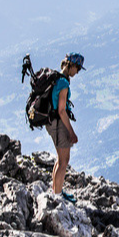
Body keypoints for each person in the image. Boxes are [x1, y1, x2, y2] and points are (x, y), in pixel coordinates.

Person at [48, 52, 86, 202]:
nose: (77, 72)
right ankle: (57, 197)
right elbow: (62, 110)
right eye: (77, 68)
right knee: (64, 161)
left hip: (52, 122)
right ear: (72, 65)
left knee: (60, 159)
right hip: (58, 122)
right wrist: (71, 132)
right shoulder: (63, 83)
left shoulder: (56, 77)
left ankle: (56, 190)